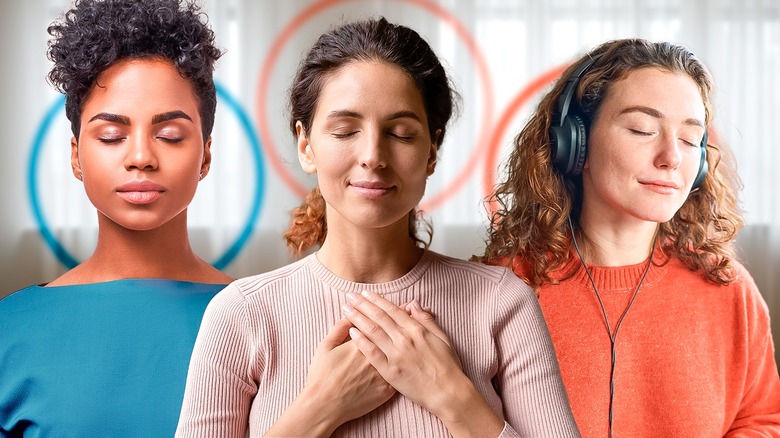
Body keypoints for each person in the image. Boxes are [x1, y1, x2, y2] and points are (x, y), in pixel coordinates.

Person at [176, 17, 579, 438]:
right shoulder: (240, 314)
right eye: (346, 130)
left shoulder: (501, 303)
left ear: (431, 152)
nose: (372, 155)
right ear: (305, 144)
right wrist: (320, 408)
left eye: (401, 134)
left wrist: (453, 397)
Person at [480, 38, 780, 437]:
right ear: (575, 143)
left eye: (691, 139)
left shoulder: (728, 288)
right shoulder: (499, 293)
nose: (672, 157)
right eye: (642, 129)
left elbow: (760, 418)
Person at [0, 0, 231, 436]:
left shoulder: (264, 314)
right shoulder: (8, 330)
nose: (141, 157)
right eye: (111, 136)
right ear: (76, 157)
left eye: (169, 135)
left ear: (205, 155)